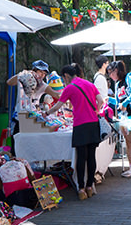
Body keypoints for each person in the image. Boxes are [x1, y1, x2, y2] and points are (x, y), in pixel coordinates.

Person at [45, 63, 104, 200]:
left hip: (80, 125)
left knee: (81, 157)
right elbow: (100, 100)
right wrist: (96, 111)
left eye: (63, 78)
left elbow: (57, 106)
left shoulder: (70, 88)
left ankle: (81, 189)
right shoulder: (89, 84)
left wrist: (46, 113)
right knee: (91, 156)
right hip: (93, 123)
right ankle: (90, 186)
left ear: (66, 76)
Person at [7, 60, 60, 126]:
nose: (42, 75)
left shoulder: (42, 85)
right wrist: (22, 75)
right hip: (19, 115)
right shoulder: (24, 79)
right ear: (34, 70)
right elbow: (9, 82)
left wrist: (67, 94)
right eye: (40, 72)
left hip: (33, 117)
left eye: (44, 74)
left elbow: (55, 94)